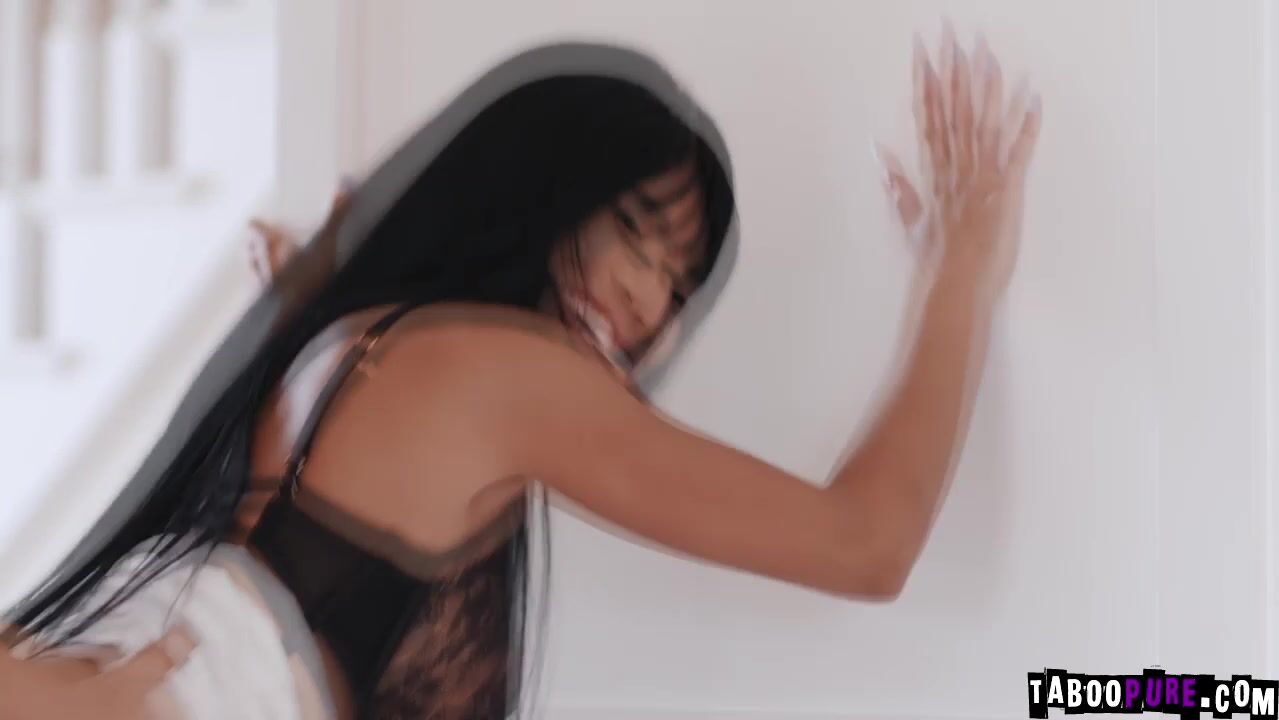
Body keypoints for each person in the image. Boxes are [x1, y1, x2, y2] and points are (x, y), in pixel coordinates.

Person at [1, 32, 1040, 720]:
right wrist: (961, 267)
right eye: (631, 230)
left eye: (676, 286)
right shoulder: (498, 378)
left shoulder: (355, 352)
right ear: (534, 189)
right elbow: (865, 542)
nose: (643, 300)